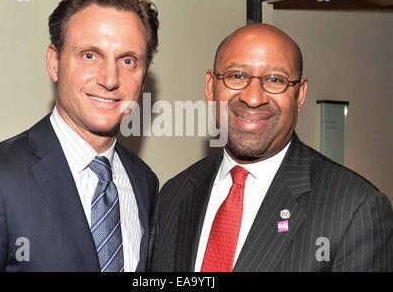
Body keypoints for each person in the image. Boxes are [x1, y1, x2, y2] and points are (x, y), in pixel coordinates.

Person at [149, 24, 393, 272]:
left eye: (276, 80)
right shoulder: (174, 195)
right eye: (237, 76)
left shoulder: (354, 209)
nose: (253, 98)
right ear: (211, 87)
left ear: (300, 95)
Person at [0, 0, 159, 271]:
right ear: (54, 62)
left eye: (128, 61)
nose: (110, 79)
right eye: (90, 55)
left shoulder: (144, 182)